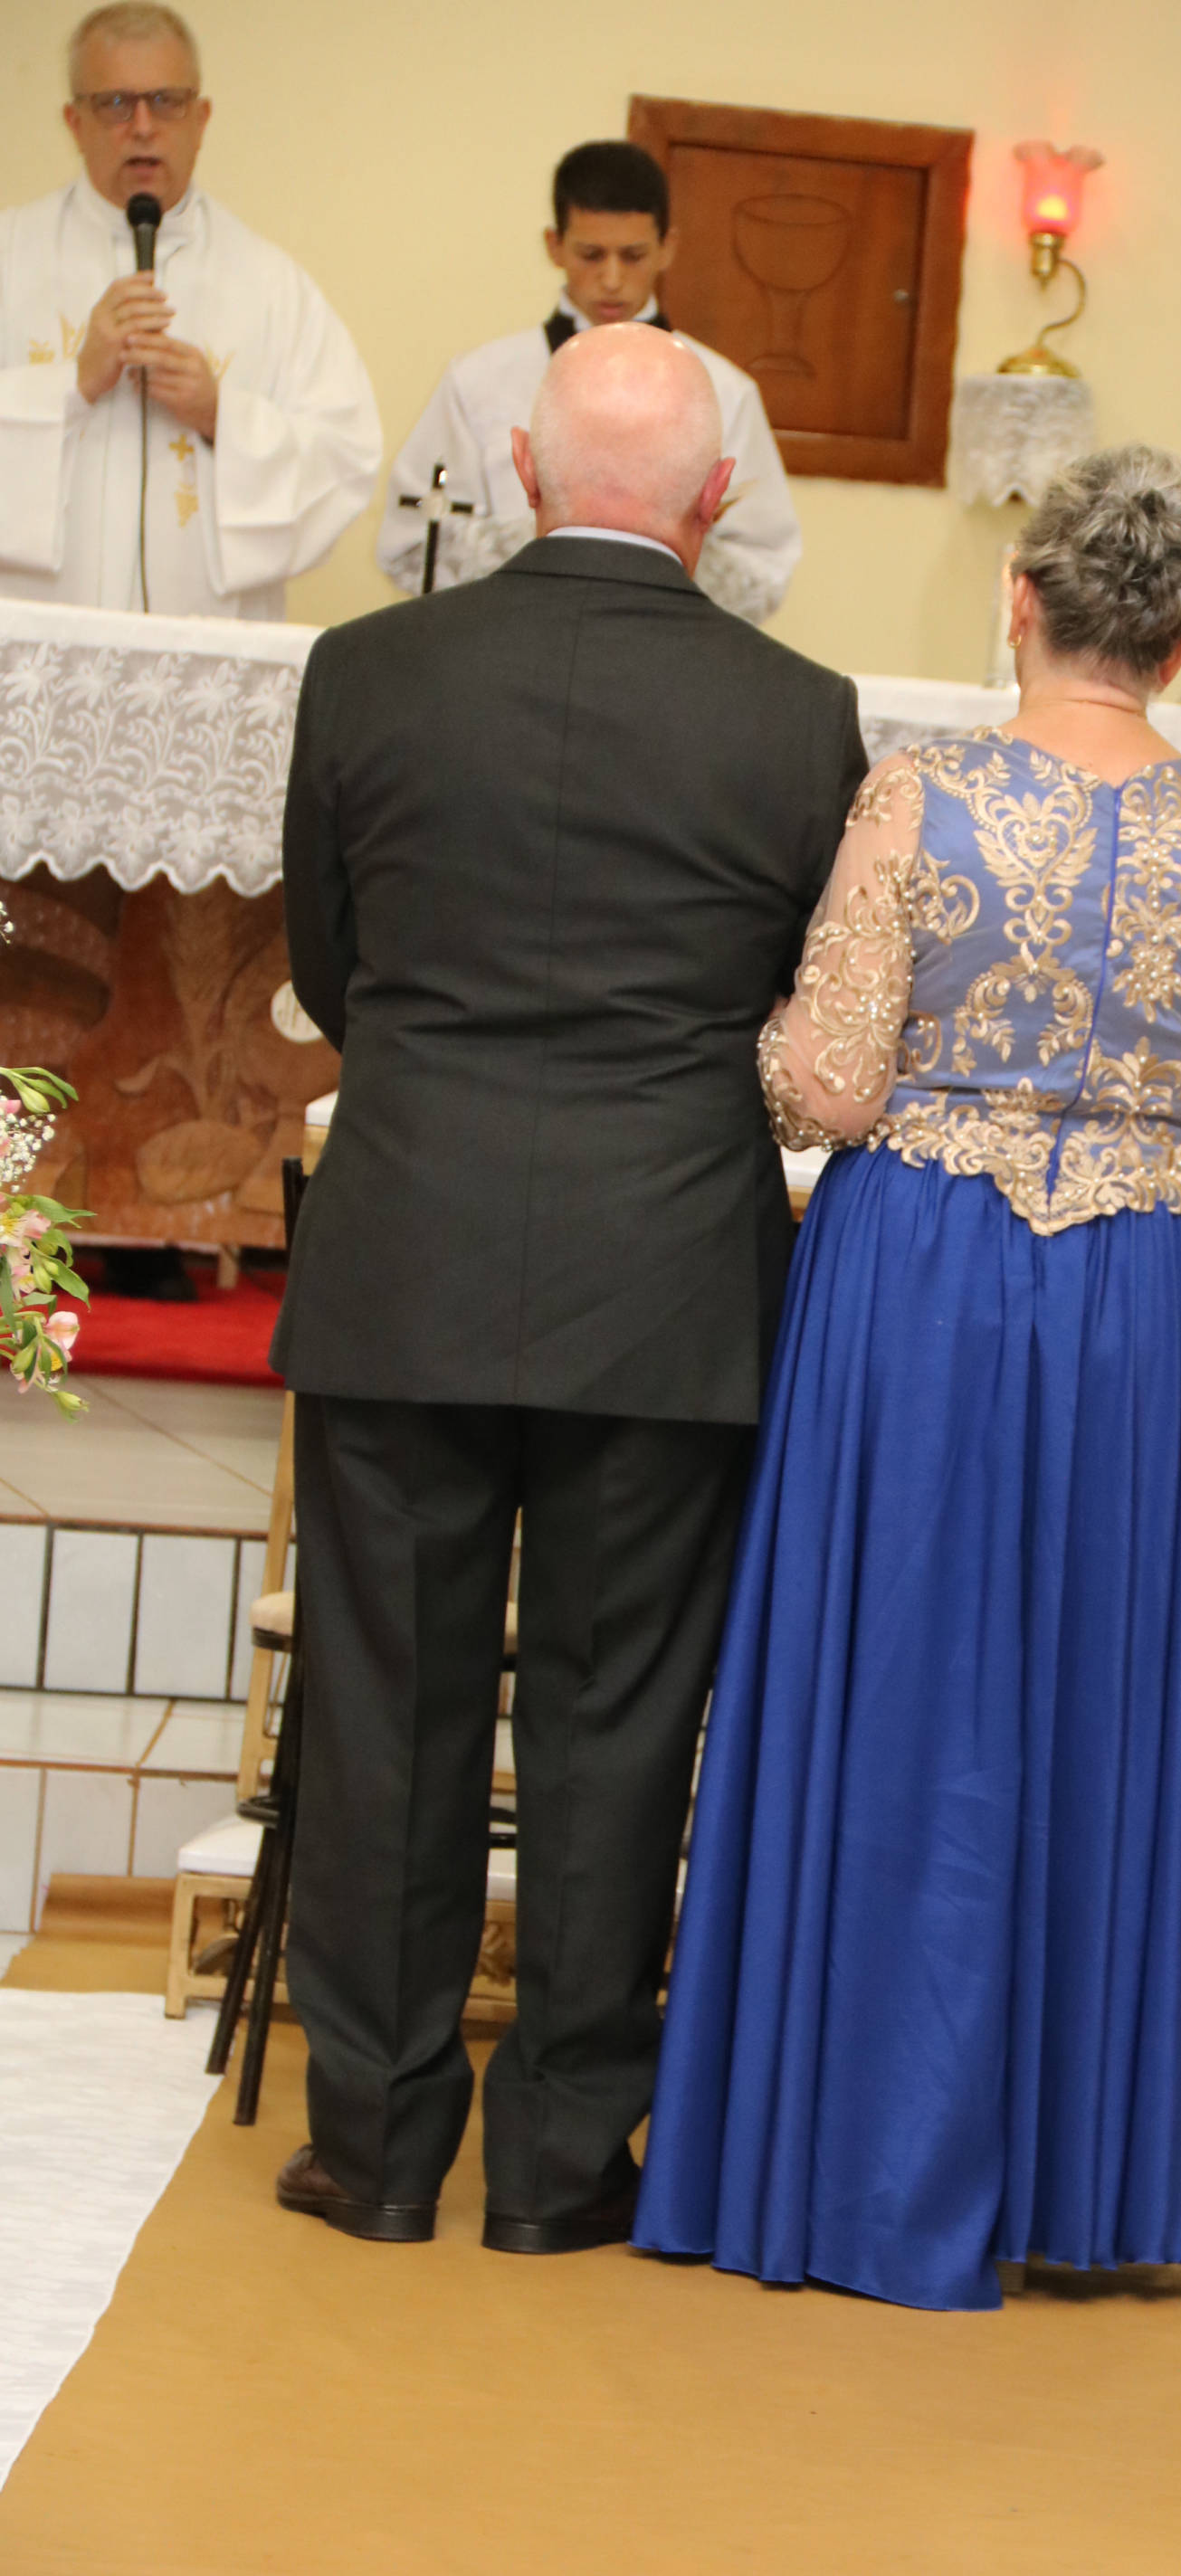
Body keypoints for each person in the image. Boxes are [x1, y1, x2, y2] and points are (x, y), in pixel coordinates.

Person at [635, 444, 1181, 2312]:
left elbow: (833, 1084)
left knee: (904, 1678)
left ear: (1020, 602)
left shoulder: (920, 799)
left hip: (922, 1269)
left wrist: (767, 1050)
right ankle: (1080, 2175)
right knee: (1101, 1687)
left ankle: (850, 2153)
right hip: (1137, 1290)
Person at [270, 323, 867, 2253]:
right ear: (717, 499)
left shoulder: (372, 672)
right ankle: (559, 2162)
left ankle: (375, 2146)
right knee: (616, 1726)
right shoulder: (799, 717)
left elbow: (335, 965)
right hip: (665, 1277)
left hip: (409, 1254)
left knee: (388, 1711)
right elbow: (796, 1002)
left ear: (523, 474)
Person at [0, 4, 381, 618]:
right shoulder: (10, 256)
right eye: (115, 103)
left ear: (201, 119)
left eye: (166, 101)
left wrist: (220, 416)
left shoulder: (271, 286)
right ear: (74, 122)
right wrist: (70, 387)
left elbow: (344, 462)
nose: (143, 126)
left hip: (204, 641)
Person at [377, 140, 801, 623]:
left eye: (633, 255)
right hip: (509, 637)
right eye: (591, 254)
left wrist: (649, 555)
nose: (612, 279)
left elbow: (764, 573)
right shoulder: (478, 382)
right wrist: (552, 552)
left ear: (668, 247)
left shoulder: (726, 393)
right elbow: (411, 544)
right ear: (554, 246)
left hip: (662, 649)